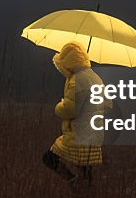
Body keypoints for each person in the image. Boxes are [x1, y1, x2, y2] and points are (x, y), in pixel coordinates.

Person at [42, 41, 111, 189]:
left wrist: (59, 106)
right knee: (86, 176)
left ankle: (73, 184)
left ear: (68, 62)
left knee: (49, 158)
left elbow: (69, 109)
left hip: (78, 134)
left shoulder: (76, 80)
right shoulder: (95, 78)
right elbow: (107, 103)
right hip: (93, 135)